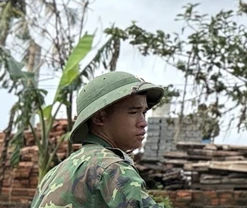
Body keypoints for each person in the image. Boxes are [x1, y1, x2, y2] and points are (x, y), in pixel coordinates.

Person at [32, 71, 166, 208]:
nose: (143, 122)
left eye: (144, 112)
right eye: (133, 112)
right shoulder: (111, 168)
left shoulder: (56, 172)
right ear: (100, 118)